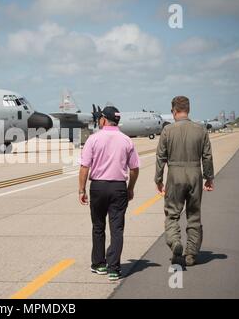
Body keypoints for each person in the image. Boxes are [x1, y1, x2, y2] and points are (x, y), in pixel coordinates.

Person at [79, 106, 140, 281]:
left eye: (100, 118)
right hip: (118, 187)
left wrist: (81, 189)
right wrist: (130, 188)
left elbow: (84, 167)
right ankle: (114, 268)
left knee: (98, 226)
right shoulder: (127, 140)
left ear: (104, 120)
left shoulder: (93, 139)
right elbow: (134, 168)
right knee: (117, 229)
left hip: (98, 187)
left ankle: (99, 264)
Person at [155, 96, 214, 266]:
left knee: (172, 214)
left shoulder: (168, 131)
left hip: (175, 174)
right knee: (194, 215)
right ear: (188, 109)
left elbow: (161, 157)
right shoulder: (201, 130)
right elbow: (207, 157)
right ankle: (191, 254)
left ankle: (175, 242)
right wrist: (208, 177)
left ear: (174, 111)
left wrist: (158, 179)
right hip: (195, 173)